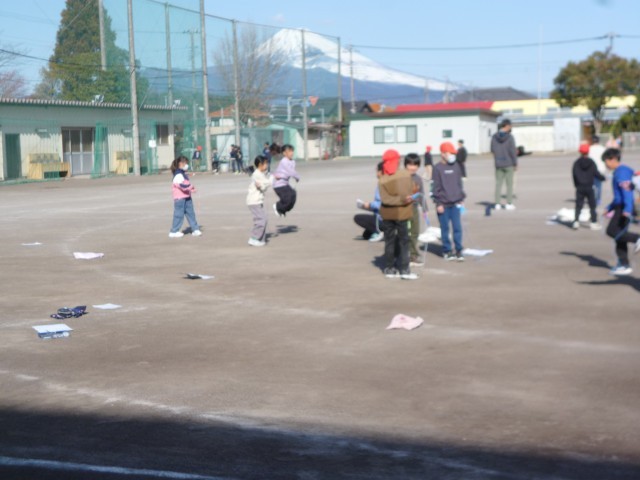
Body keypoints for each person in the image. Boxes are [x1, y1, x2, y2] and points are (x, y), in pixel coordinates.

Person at [378, 149, 418, 280]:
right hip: (403, 213)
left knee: (389, 241)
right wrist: (405, 199)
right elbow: (411, 191)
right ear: (397, 160)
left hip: (387, 214)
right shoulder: (405, 174)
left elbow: (385, 199)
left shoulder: (382, 179)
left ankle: (389, 268)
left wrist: (401, 198)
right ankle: (404, 270)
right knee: (404, 241)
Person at [602, 148, 640, 276]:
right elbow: (618, 196)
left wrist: (627, 209)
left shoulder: (621, 172)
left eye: (606, 161)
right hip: (620, 206)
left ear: (613, 159)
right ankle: (624, 264)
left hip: (623, 208)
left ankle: (637, 238)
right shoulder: (620, 171)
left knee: (612, 231)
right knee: (619, 236)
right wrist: (609, 207)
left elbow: (626, 192)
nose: (606, 164)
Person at [433, 142, 466, 261]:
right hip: (443, 205)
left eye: (453, 153)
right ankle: (447, 250)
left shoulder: (456, 166)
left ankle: (458, 250)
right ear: (443, 154)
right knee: (445, 229)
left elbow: (459, 183)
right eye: (450, 153)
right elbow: (435, 187)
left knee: (457, 228)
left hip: (455, 203)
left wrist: (461, 198)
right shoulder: (437, 168)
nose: (452, 155)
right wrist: (438, 203)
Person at [572, 143, 605, 230]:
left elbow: (574, 175)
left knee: (578, 205)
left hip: (580, 187)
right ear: (588, 152)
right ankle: (593, 222)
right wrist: (603, 178)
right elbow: (596, 173)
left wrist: (576, 185)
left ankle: (576, 222)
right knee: (592, 206)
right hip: (590, 187)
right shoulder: (591, 162)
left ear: (580, 151)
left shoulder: (576, 163)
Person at [169, 155, 202, 238]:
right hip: (180, 198)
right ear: (180, 163)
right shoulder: (178, 175)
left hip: (187, 196)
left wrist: (191, 189)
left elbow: (186, 184)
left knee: (191, 213)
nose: (187, 165)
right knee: (179, 214)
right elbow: (181, 186)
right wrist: (190, 187)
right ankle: (174, 231)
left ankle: (195, 229)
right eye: (185, 163)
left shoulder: (183, 174)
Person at [404, 153, 427, 267]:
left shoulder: (418, 178)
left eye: (415, 165)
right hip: (403, 209)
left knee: (415, 232)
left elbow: (421, 193)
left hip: (414, 208)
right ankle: (404, 255)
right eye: (410, 164)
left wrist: (424, 208)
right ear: (405, 165)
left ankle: (413, 255)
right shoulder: (402, 177)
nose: (412, 167)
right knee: (405, 232)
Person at [491, 119, 518, 210]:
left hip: (498, 163)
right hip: (508, 163)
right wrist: (515, 163)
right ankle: (509, 203)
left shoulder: (494, 137)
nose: (511, 128)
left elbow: (492, 149)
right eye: (510, 126)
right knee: (509, 184)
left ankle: (497, 203)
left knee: (498, 184)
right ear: (506, 126)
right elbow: (512, 151)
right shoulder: (510, 137)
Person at [354, 162, 384, 242]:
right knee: (366, 235)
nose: (376, 173)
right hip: (382, 217)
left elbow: (382, 204)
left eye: (377, 171)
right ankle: (380, 230)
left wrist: (369, 205)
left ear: (381, 172)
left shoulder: (382, 184)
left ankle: (381, 232)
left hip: (382, 219)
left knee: (357, 218)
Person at [246, 155, 272, 247]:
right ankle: (254, 238)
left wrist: (268, 178)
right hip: (254, 202)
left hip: (258, 201)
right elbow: (264, 186)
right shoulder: (257, 175)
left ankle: (260, 239)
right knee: (261, 220)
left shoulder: (260, 174)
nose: (267, 165)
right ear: (260, 164)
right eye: (265, 164)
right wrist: (271, 179)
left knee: (264, 219)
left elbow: (264, 184)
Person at [272, 144, 300, 217]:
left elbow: (292, 171)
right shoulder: (284, 161)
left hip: (285, 184)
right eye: (289, 151)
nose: (291, 153)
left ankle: (283, 210)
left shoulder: (293, 161)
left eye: (292, 151)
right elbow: (290, 171)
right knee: (288, 197)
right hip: (278, 184)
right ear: (284, 153)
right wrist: (297, 177)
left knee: (293, 194)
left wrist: (295, 178)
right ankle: (278, 206)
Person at [589, 135, 606, 205]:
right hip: (601, 169)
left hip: (591, 169)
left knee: (592, 185)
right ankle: (598, 199)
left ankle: (593, 198)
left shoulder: (590, 148)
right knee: (599, 185)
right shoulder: (603, 148)